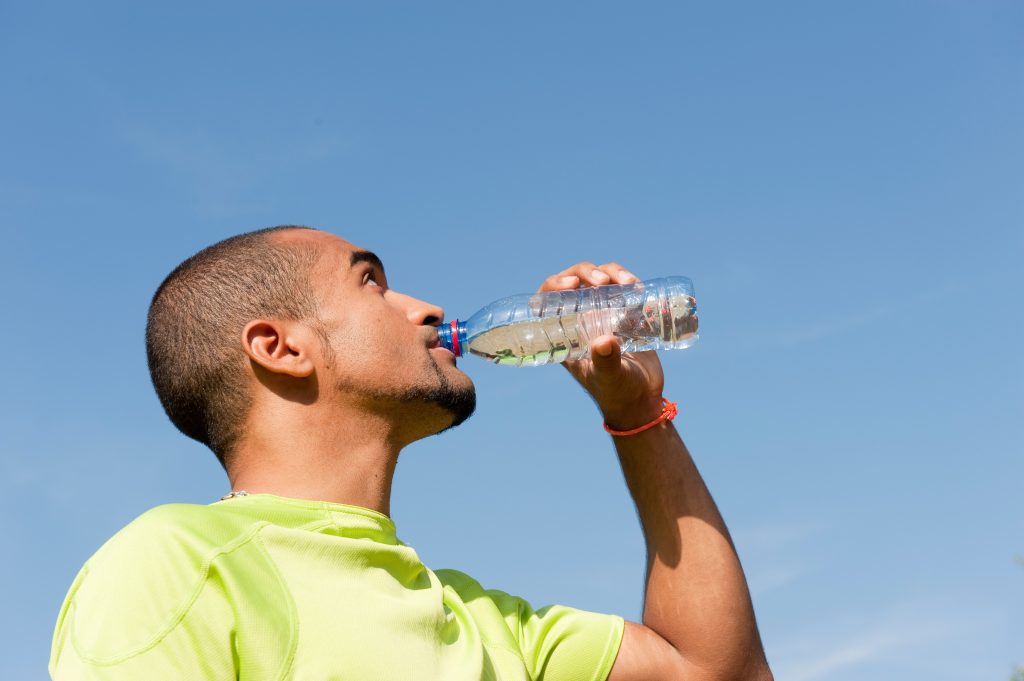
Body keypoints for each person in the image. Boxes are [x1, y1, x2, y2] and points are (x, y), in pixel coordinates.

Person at [49, 225, 773, 680]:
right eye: (371, 282)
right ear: (281, 348)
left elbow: (715, 670)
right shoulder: (173, 569)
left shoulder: (481, 620)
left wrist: (639, 414)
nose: (425, 309)